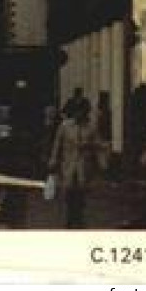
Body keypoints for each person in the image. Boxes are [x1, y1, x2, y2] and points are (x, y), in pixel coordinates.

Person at [48, 97, 98, 228]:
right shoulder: (65, 126)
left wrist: (90, 147)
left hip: (84, 165)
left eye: (83, 111)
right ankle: (70, 218)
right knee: (69, 192)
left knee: (81, 193)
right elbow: (57, 144)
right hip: (68, 164)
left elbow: (96, 145)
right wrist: (53, 161)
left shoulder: (91, 127)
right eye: (78, 110)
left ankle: (79, 217)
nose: (80, 114)